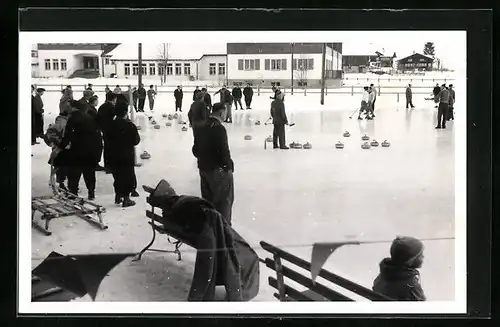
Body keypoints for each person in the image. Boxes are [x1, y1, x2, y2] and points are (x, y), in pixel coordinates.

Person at [192, 102, 235, 225]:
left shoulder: (200, 126)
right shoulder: (219, 128)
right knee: (223, 202)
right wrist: (228, 166)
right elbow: (223, 151)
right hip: (218, 170)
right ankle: (224, 229)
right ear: (221, 112)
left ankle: (211, 227)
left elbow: (195, 149)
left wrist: (204, 158)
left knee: (208, 201)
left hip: (204, 168)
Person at [59, 100, 103, 200]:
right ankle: (91, 192)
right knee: (89, 173)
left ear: (74, 107)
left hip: (77, 150)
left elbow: (67, 136)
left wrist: (60, 147)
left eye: (68, 106)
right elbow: (97, 135)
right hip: (90, 150)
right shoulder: (88, 117)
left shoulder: (72, 118)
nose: (67, 108)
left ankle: (73, 193)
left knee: (74, 173)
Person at [107, 102, 141, 207]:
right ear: (126, 112)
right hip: (126, 154)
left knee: (117, 176)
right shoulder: (129, 125)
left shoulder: (110, 125)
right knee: (127, 176)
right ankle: (126, 198)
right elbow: (136, 141)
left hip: (113, 154)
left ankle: (118, 195)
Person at [372, 236, 426, 301]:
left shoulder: (384, 274)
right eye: (420, 255)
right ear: (410, 261)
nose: (423, 256)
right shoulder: (411, 286)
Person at [44, 100, 77, 191]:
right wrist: (59, 142)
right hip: (62, 149)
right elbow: (51, 133)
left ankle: (59, 183)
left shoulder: (62, 121)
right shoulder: (62, 122)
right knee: (62, 166)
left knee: (60, 166)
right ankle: (60, 184)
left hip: (60, 148)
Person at [96, 92, 118, 173]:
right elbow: (114, 119)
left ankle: (107, 165)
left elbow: (98, 118)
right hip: (111, 130)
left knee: (107, 148)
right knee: (111, 148)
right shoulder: (112, 107)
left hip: (104, 130)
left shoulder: (102, 106)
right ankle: (110, 166)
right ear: (113, 99)